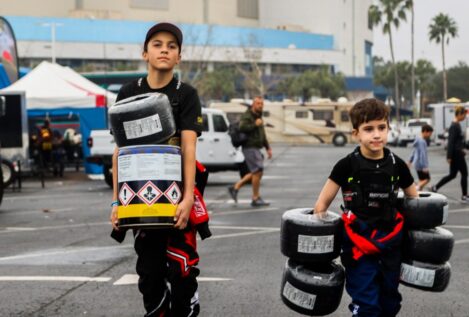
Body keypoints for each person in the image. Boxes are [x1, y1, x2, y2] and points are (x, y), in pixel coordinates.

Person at [109, 22, 204, 316]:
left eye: (172, 46)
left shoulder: (186, 94)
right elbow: (120, 151)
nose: (164, 49)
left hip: (177, 198)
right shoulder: (128, 92)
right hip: (139, 199)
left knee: (182, 271)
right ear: (145, 53)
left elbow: (189, 148)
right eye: (157, 44)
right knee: (149, 275)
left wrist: (188, 198)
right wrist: (115, 202)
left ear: (179, 57)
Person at [313, 98, 417, 317]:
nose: (377, 134)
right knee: (367, 306)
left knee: (390, 304)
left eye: (382, 127)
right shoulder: (346, 165)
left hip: (391, 246)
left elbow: (415, 202)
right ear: (356, 133)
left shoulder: (398, 165)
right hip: (358, 246)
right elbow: (321, 206)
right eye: (368, 129)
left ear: (389, 129)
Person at [227, 96, 272, 207]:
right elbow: (242, 127)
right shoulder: (248, 115)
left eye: (262, 104)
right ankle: (255, 198)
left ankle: (236, 187)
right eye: (258, 103)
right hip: (249, 146)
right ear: (253, 104)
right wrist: (254, 125)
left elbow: (262, 133)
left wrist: (268, 147)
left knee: (257, 172)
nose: (260, 105)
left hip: (256, 147)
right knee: (258, 170)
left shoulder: (258, 116)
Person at [431, 105, 469, 202]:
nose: (464, 117)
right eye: (464, 115)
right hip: (457, 154)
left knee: (452, 175)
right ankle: (464, 195)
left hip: (458, 153)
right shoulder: (454, 126)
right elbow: (451, 142)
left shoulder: (457, 125)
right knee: (464, 173)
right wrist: (449, 156)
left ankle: (435, 187)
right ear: (459, 114)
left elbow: (458, 142)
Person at [408, 124, 433, 190]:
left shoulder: (417, 139)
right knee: (427, 179)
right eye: (429, 133)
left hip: (416, 163)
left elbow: (414, 151)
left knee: (421, 180)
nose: (430, 135)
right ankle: (415, 188)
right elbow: (423, 154)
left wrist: (410, 161)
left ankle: (418, 193)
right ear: (425, 131)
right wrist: (425, 167)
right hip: (421, 164)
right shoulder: (422, 141)